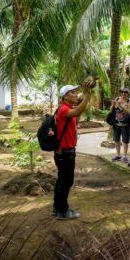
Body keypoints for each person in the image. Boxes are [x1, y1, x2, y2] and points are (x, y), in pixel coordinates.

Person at [54, 78, 95, 220]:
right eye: (73, 92)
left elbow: (76, 117)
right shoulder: (64, 109)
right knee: (66, 181)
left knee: (62, 180)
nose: (76, 94)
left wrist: (82, 100)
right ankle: (63, 211)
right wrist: (87, 95)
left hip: (65, 152)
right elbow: (77, 112)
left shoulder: (67, 109)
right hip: (65, 153)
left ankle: (58, 207)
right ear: (65, 96)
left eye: (76, 91)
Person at [110, 87, 130, 163]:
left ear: (128, 93)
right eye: (122, 92)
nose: (123, 93)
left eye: (125, 92)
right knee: (116, 140)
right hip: (116, 124)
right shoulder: (117, 99)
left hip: (125, 124)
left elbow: (129, 112)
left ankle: (125, 156)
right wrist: (113, 105)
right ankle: (118, 155)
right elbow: (111, 110)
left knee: (125, 141)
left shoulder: (129, 101)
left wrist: (120, 106)